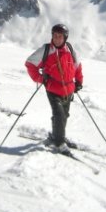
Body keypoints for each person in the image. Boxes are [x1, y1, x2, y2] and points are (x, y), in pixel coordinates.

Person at [25, 24, 83, 154]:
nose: (57, 39)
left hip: (68, 90)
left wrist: (79, 81)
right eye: (55, 36)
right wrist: (41, 79)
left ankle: (57, 135)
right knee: (59, 115)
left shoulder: (70, 49)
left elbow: (77, 66)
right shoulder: (46, 50)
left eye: (60, 36)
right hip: (53, 89)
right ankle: (59, 143)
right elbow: (30, 63)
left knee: (64, 116)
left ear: (65, 37)